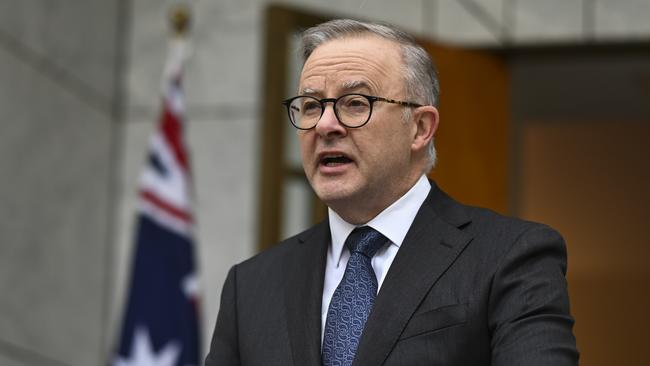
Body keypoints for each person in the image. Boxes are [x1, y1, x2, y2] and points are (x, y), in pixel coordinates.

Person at [205, 19, 578, 366]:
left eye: (355, 103)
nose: (325, 124)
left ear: (419, 127)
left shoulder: (511, 257)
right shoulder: (251, 285)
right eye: (311, 105)